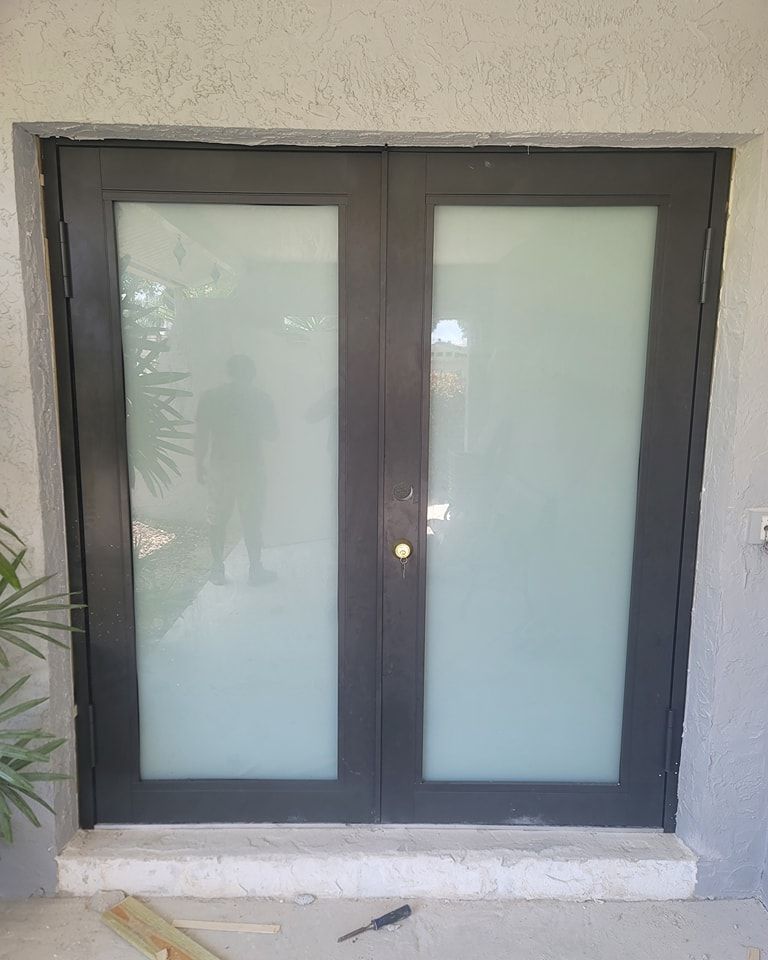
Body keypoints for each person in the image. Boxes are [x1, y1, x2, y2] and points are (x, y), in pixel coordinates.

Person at [195, 354, 277, 585]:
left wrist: (198, 463)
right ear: (252, 373)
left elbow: (202, 434)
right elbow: (273, 434)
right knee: (252, 519)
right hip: (252, 466)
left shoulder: (210, 397)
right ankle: (256, 569)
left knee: (217, 519)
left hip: (220, 467)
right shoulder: (261, 398)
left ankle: (217, 569)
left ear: (229, 372)